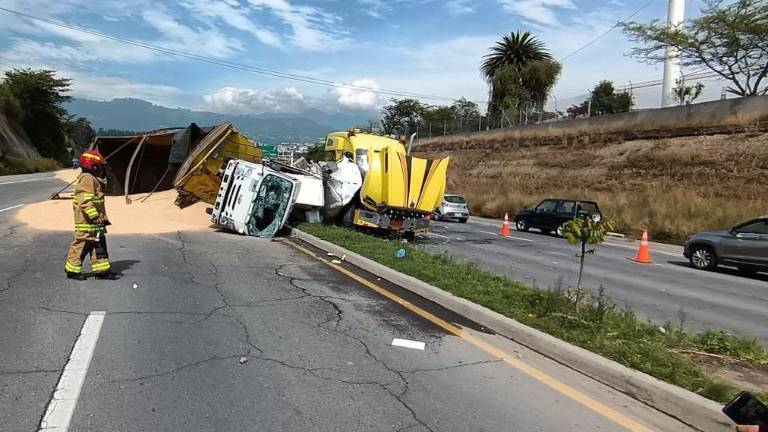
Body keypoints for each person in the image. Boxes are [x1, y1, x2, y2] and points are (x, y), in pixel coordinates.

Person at [65, 150, 117, 280]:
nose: (101, 169)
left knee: (98, 244)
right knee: (83, 244)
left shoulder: (93, 179)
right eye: (99, 166)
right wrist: (94, 216)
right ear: (93, 166)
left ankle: (102, 271)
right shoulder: (87, 179)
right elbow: (85, 200)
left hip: (95, 221)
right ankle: (72, 271)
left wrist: (99, 218)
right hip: (87, 221)